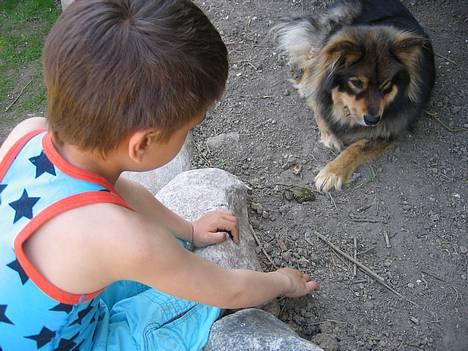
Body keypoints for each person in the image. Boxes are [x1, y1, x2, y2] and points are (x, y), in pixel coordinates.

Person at [0, 0, 319, 350]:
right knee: (195, 298)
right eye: (189, 127)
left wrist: (190, 230)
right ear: (142, 144)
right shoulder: (124, 239)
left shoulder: (29, 134)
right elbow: (233, 289)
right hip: (68, 341)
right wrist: (282, 282)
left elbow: (121, 191)